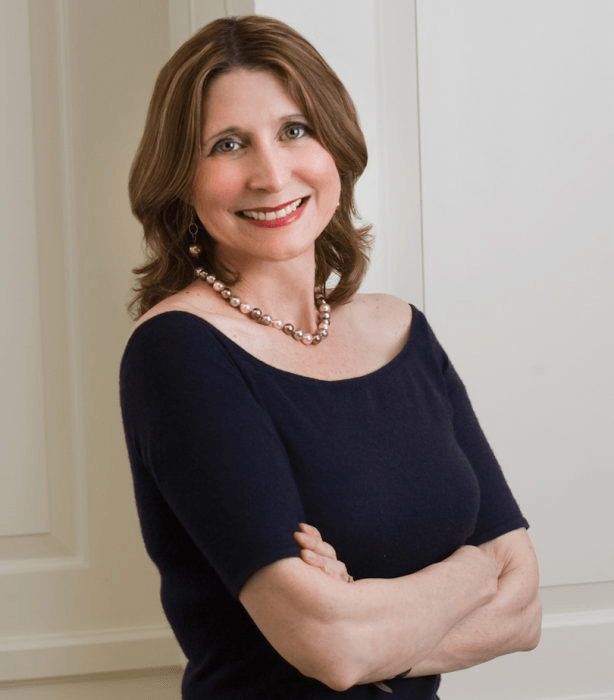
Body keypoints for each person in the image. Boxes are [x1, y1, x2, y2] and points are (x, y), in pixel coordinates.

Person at [120, 14, 541, 700]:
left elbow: (522, 608)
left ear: (335, 143)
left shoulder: (401, 331)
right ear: (182, 178)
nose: (271, 173)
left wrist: (366, 614)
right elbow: (334, 649)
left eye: (294, 130)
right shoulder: (179, 352)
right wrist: (472, 572)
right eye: (228, 144)